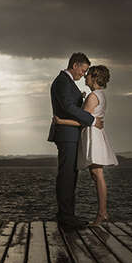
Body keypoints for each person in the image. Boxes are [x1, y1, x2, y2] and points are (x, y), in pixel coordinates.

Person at [53, 65, 118, 226]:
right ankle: (102, 212)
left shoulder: (92, 97)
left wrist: (61, 121)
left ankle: (102, 213)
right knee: (97, 174)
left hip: (92, 136)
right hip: (95, 135)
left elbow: (82, 120)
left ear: (95, 78)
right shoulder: (98, 95)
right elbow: (89, 116)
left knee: (97, 174)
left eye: (88, 75)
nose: (85, 77)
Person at [47, 53, 104, 229]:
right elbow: (68, 107)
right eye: (83, 70)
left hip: (69, 135)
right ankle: (66, 217)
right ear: (75, 65)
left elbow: (69, 105)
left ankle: (67, 215)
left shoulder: (66, 82)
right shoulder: (63, 81)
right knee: (67, 175)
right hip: (66, 135)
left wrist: (79, 97)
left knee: (70, 175)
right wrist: (92, 120)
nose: (83, 74)